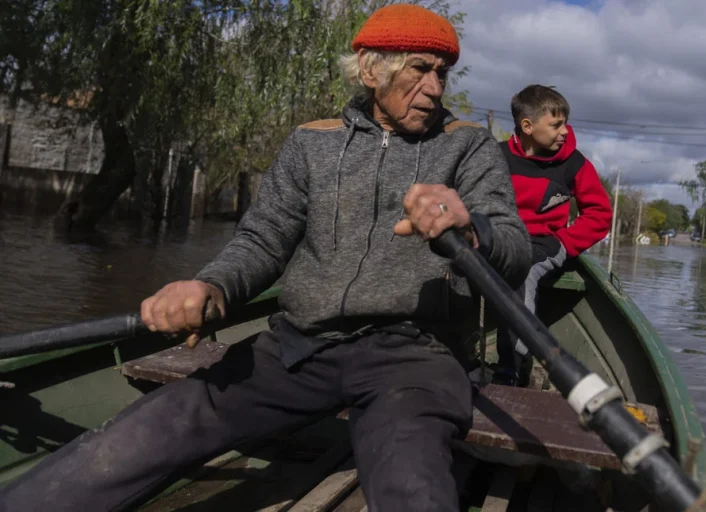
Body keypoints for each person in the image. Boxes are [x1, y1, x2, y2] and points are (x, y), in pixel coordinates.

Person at [0, 5, 530, 512]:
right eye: (421, 69)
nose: (435, 89)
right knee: (141, 435)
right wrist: (211, 288)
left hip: (416, 357)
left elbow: (514, 248)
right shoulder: (310, 144)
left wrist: (472, 227)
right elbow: (263, 239)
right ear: (372, 69)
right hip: (299, 345)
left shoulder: (469, 147)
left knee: (412, 485)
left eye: (444, 73)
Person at [492, 84, 612, 387]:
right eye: (556, 124)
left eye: (565, 124)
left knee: (523, 269)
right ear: (528, 127)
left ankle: (511, 367)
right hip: (501, 235)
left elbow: (599, 215)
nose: (564, 132)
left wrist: (566, 242)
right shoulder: (497, 156)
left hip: (546, 243)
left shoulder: (574, 163)